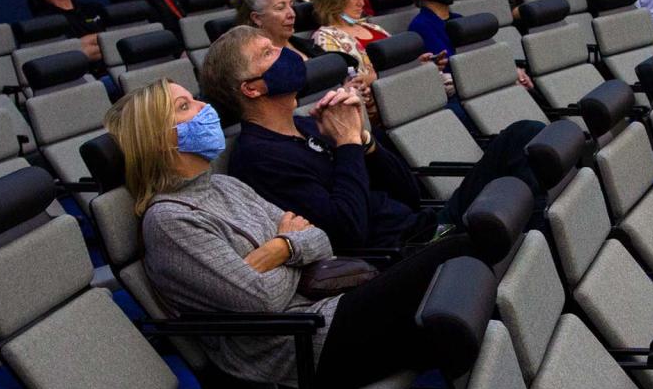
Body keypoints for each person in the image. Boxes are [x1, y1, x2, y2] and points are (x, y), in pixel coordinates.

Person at [108, 79, 514, 389]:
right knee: (457, 252)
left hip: (329, 311)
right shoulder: (170, 221)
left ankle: (499, 383)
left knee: (455, 284)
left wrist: (278, 250)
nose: (204, 108)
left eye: (194, 98)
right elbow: (259, 302)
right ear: (160, 140)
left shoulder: (226, 186)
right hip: (301, 350)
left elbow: (320, 240)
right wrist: (288, 245)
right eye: (185, 108)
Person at [200, 26, 545, 250]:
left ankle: (543, 240)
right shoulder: (258, 157)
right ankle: (540, 248)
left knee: (524, 135)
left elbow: (409, 194)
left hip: (426, 224)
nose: (285, 53)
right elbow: (347, 233)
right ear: (252, 88)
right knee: (519, 208)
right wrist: (348, 144)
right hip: (406, 254)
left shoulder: (309, 126)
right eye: (267, 53)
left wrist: (365, 142)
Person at [406, 0, 532, 89]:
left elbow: (489, 52)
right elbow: (455, 66)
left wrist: (515, 70)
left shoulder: (459, 18)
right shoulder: (420, 26)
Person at [237, 0, 323, 61]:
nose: (292, 14)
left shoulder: (308, 45)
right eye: (280, 8)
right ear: (257, 18)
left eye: (291, 5)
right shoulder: (256, 63)